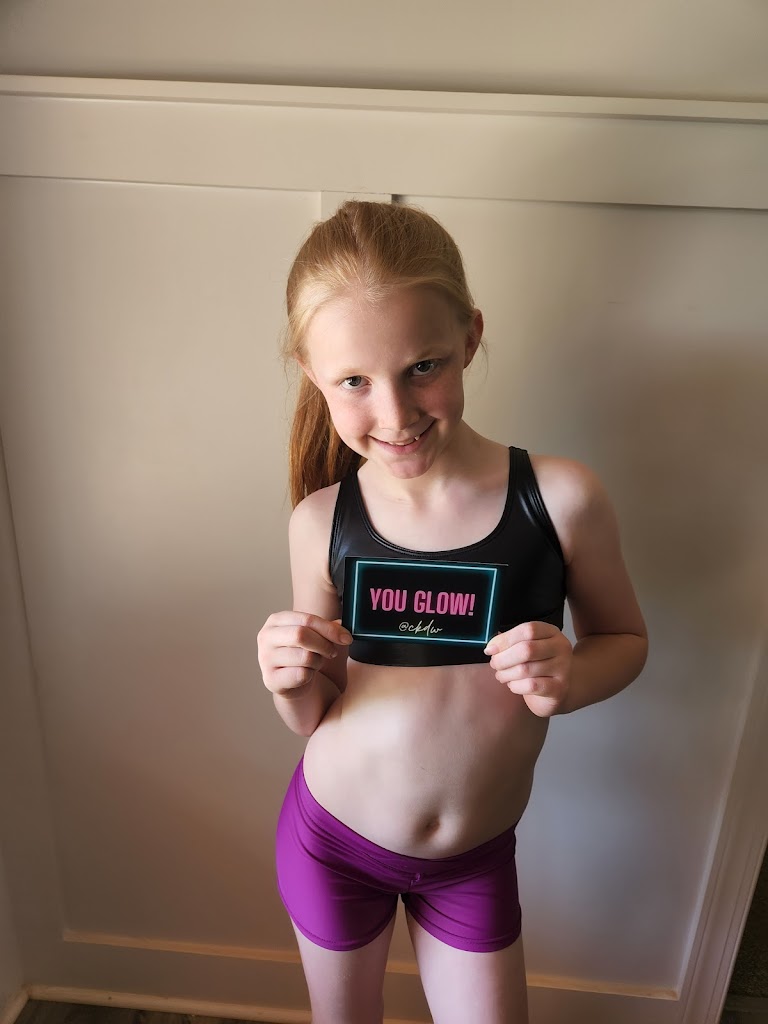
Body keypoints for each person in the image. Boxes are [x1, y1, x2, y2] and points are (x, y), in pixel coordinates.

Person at [257, 200, 648, 1024]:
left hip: (472, 862)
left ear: (470, 338)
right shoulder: (322, 522)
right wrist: (288, 681)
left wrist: (572, 678)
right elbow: (313, 715)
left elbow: (624, 639)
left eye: (423, 367)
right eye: (354, 382)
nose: (396, 415)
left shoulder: (561, 499)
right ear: (310, 372)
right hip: (333, 844)